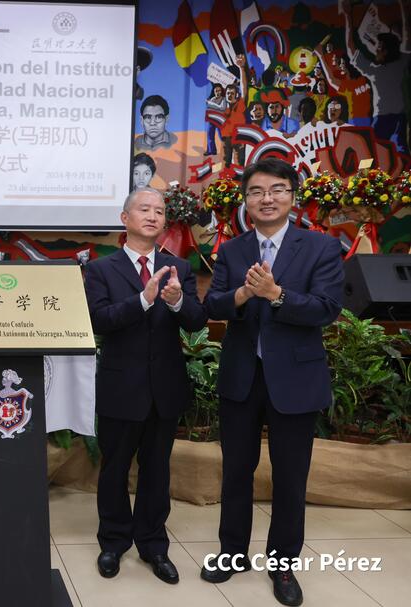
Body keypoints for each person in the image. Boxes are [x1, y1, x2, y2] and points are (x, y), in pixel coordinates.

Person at [201, 159, 343, 607]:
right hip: (241, 377)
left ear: (292, 196)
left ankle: (283, 566)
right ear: (245, 200)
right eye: (257, 191)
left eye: (277, 189)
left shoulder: (320, 247)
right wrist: (243, 294)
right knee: (235, 471)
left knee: (290, 478)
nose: (267, 198)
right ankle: (232, 552)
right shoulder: (232, 250)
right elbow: (214, 305)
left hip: (296, 380)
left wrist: (277, 295)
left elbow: (327, 308)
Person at [84, 187, 207, 585]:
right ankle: (113, 541)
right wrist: (143, 299)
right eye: (144, 209)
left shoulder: (178, 268)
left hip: (164, 389)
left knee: (157, 471)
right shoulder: (101, 269)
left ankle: (154, 545)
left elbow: (196, 320)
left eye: (159, 211)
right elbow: (99, 321)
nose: (153, 216)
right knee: (114, 469)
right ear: (125, 219)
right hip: (121, 387)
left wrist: (176, 301)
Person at [341, 0, 411, 151]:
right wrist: (404, 8)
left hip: (383, 119)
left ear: (385, 51)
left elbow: (350, 48)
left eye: (378, 48)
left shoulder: (375, 71)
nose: (376, 50)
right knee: (400, 153)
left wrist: (348, 16)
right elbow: (407, 38)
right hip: (399, 118)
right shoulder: (399, 65)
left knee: (375, 153)